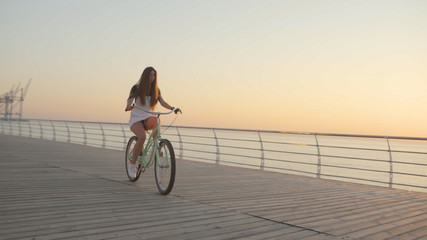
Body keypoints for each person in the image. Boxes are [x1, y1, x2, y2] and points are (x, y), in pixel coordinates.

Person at [125, 66, 181, 177]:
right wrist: (128, 106)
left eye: (154, 75)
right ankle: (132, 165)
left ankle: (157, 147)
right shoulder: (136, 88)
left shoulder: (156, 90)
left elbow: (162, 102)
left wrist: (172, 108)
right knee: (142, 137)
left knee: (156, 120)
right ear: (145, 76)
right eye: (150, 75)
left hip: (147, 117)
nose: (152, 77)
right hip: (136, 118)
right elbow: (130, 99)